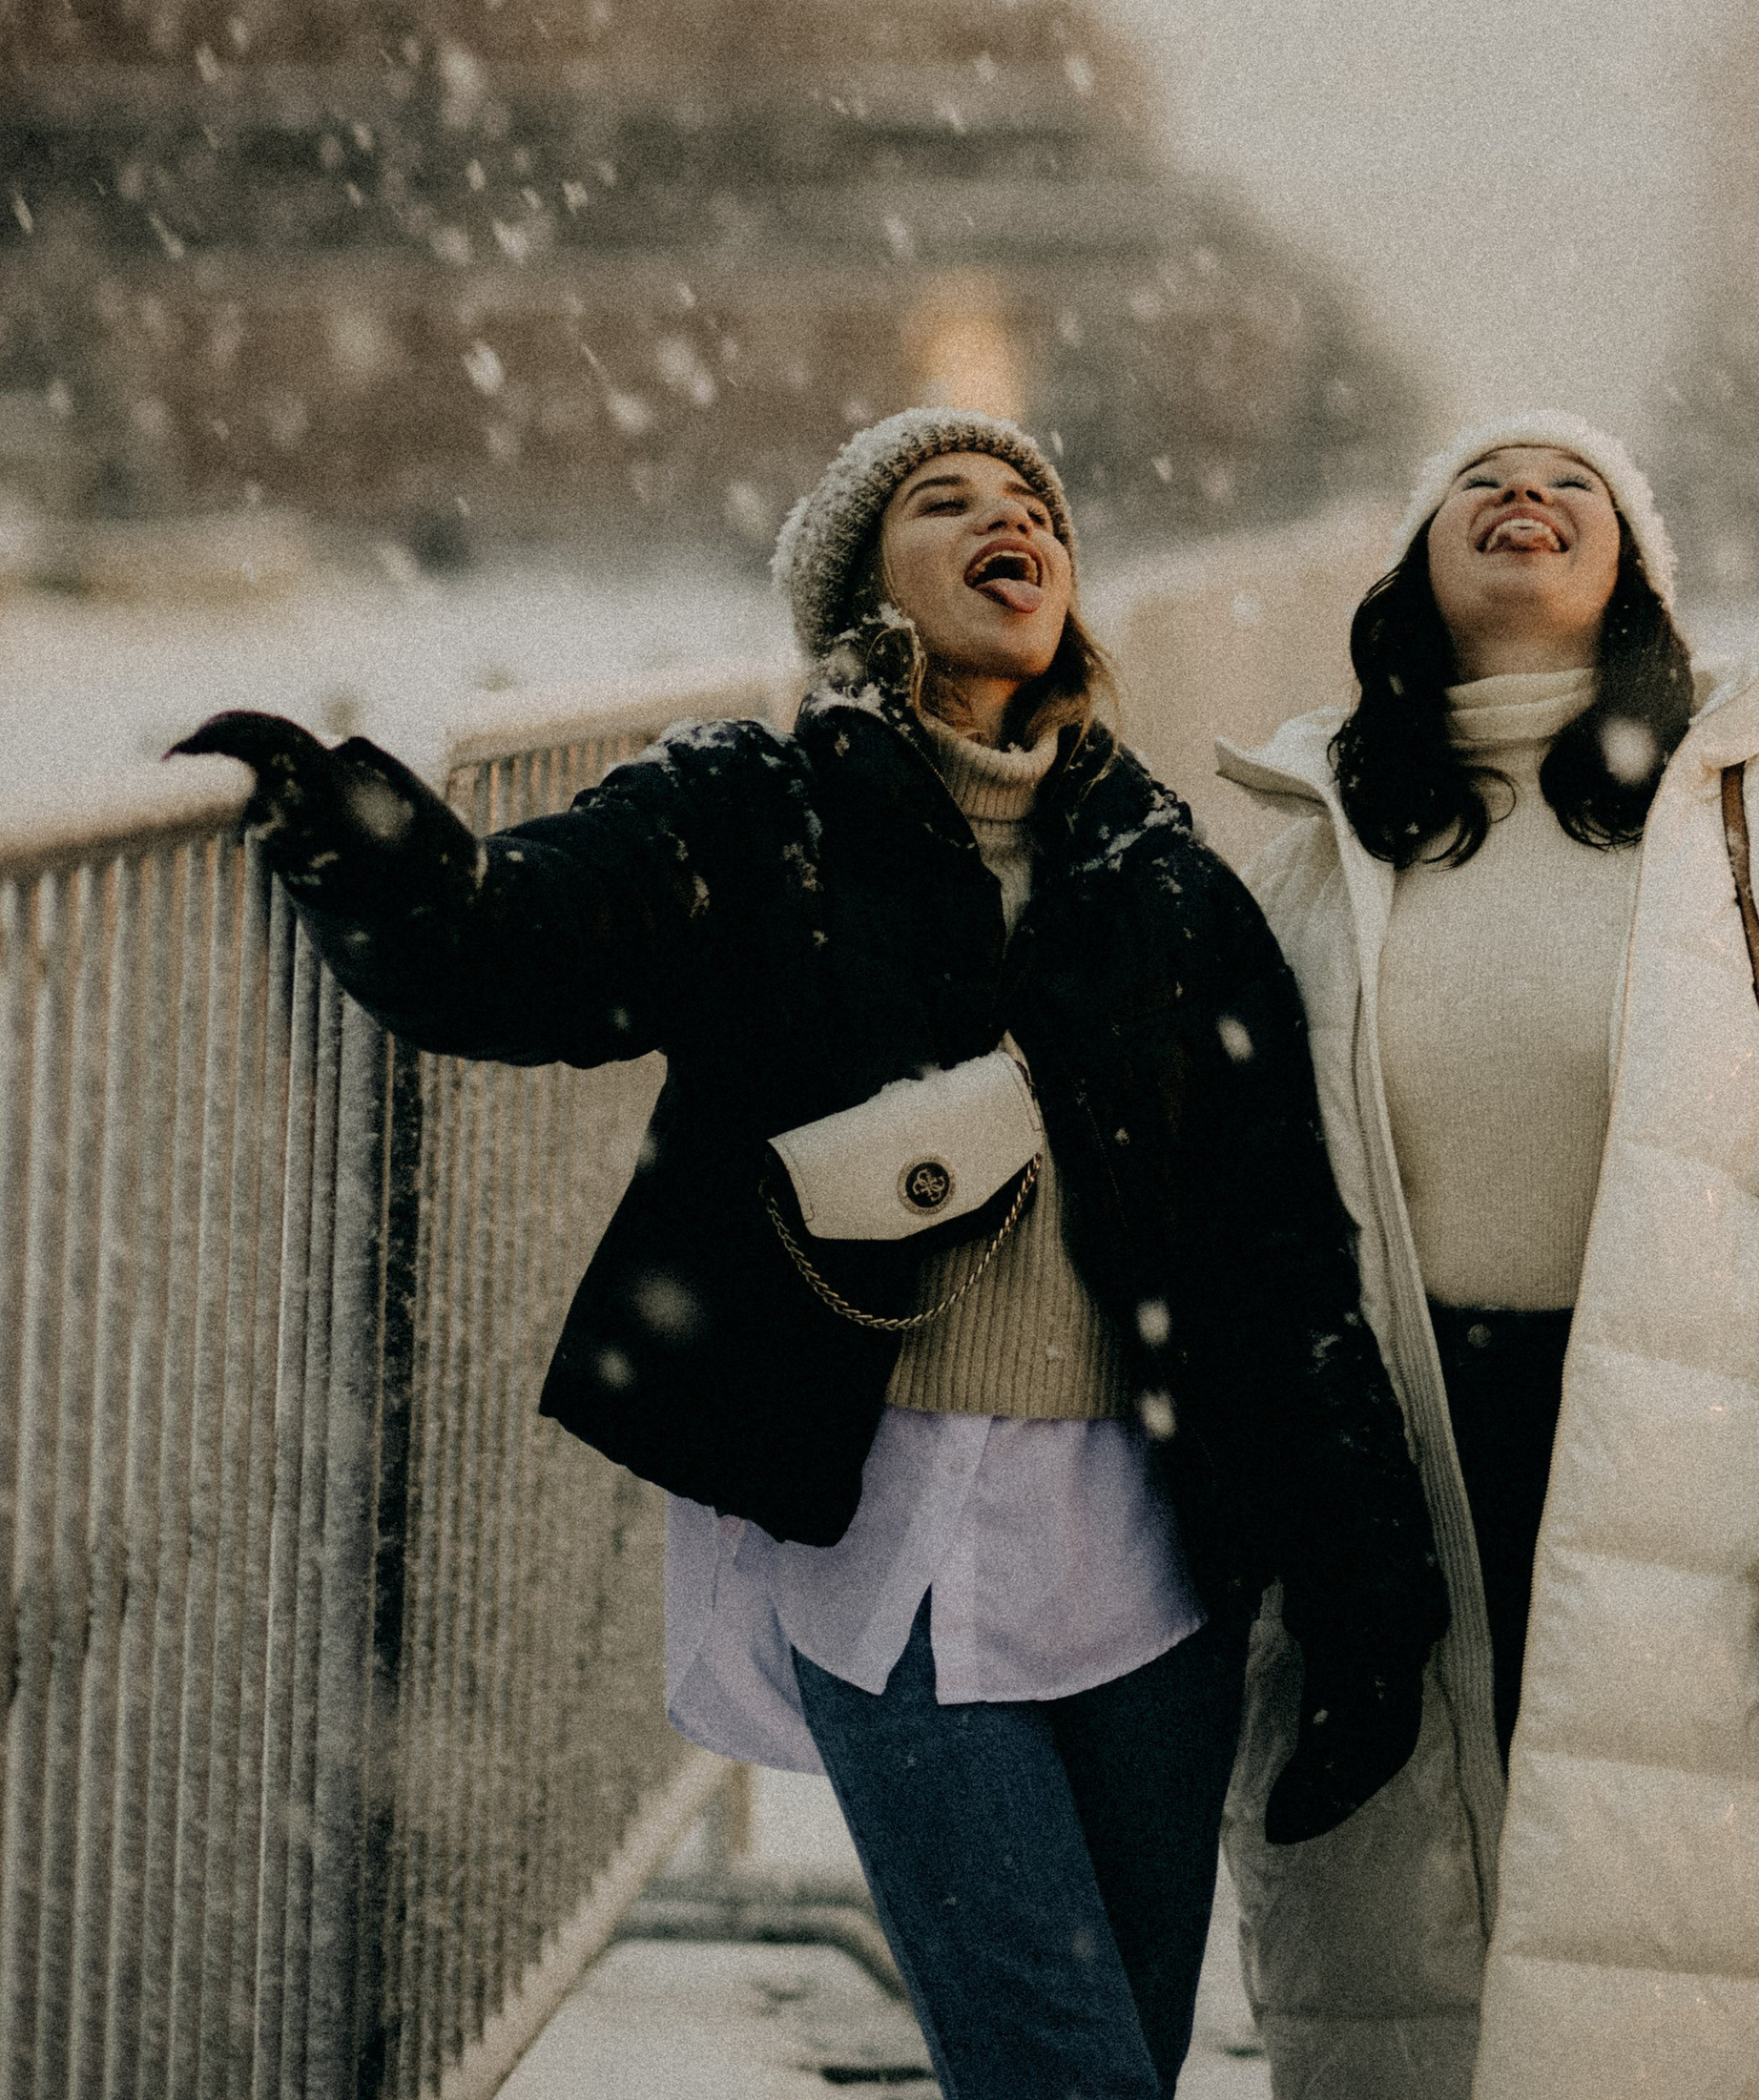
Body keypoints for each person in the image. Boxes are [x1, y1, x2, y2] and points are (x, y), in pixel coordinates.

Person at [177, 406, 1443, 2100]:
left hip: (1154, 1563)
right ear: (864, 591)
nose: (1012, 525)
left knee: (1115, 2060)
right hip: (891, 1543)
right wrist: (353, 828)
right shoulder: (750, 810)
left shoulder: (1166, 879)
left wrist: (1367, 1590)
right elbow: (515, 947)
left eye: (1033, 507)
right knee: (1060, 2069)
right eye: (948, 502)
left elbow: (1284, 1257)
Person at [1213, 410, 1759, 2100]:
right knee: (1398, 2004)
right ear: (1411, 569)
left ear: (1636, 573)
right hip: (1383, 1502)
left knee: (1664, 2001)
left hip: (1695, 1501)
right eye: (1480, 482)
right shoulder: (1307, 851)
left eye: (1577, 483)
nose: (1527, 496)